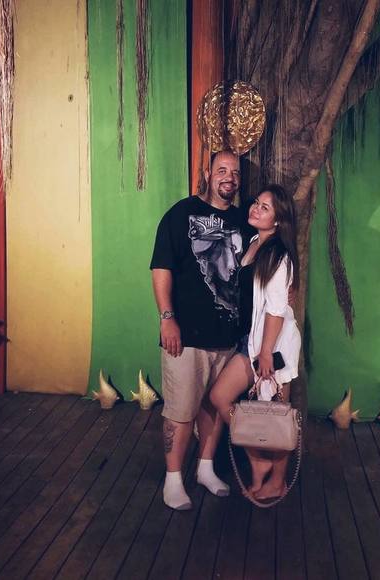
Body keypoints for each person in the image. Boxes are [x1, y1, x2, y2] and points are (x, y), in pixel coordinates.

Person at [150, 150, 244, 510]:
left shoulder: (243, 220)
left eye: (234, 172)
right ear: (207, 174)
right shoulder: (180, 215)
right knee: (180, 409)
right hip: (186, 335)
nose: (229, 177)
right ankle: (173, 480)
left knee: (212, 407)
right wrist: (167, 317)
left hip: (228, 336)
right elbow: (161, 268)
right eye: (222, 170)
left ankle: (205, 469)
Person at [210, 184, 300, 501]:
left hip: (272, 346)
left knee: (276, 412)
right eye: (256, 203)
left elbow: (276, 310)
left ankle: (277, 480)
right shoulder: (253, 243)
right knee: (220, 396)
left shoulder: (278, 255)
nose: (256, 209)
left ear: (278, 220)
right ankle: (257, 460)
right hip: (250, 340)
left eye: (265, 207)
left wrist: (265, 353)